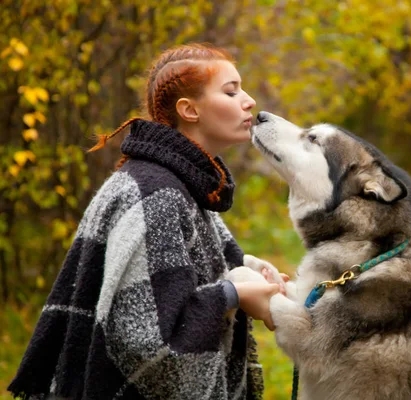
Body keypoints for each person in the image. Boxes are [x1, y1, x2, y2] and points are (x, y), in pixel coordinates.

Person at [8, 43, 282, 400]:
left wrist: (247, 267)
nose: (248, 101)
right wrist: (235, 293)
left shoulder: (181, 183)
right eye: (231, 91)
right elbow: (147, 342)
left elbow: (194, 267)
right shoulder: (159, 193)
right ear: (189, 110)